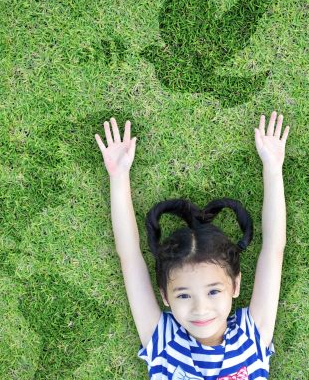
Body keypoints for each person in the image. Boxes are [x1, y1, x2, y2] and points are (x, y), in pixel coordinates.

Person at [95, 112, 290, 379]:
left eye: (213, 292)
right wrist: (118, 177)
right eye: (184, 295)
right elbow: (129, 257)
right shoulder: (163, 340)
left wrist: (273, 167)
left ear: (235, 286)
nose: (200, 308)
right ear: (165, 296)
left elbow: (274, 251)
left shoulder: (252, 334)